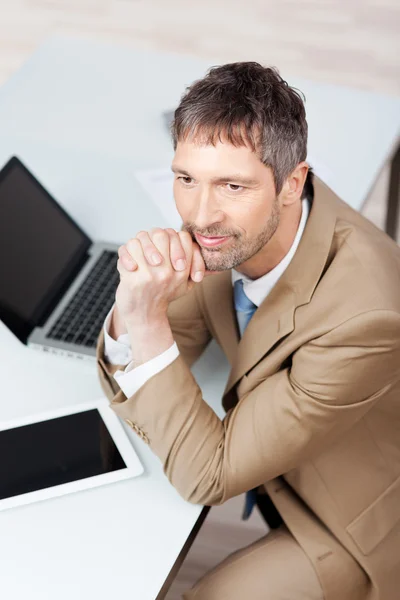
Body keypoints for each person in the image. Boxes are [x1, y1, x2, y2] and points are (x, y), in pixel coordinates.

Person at [96, 62, 400, 600]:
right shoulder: (233, 233)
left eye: (232, 185)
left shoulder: (366, 317)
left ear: (293, 183)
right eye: (187, 178)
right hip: (276, 462)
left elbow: (205, 477)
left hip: (350, 514)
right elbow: (162, 347)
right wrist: (132, 304)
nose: (200, 214)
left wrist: (146, 322)